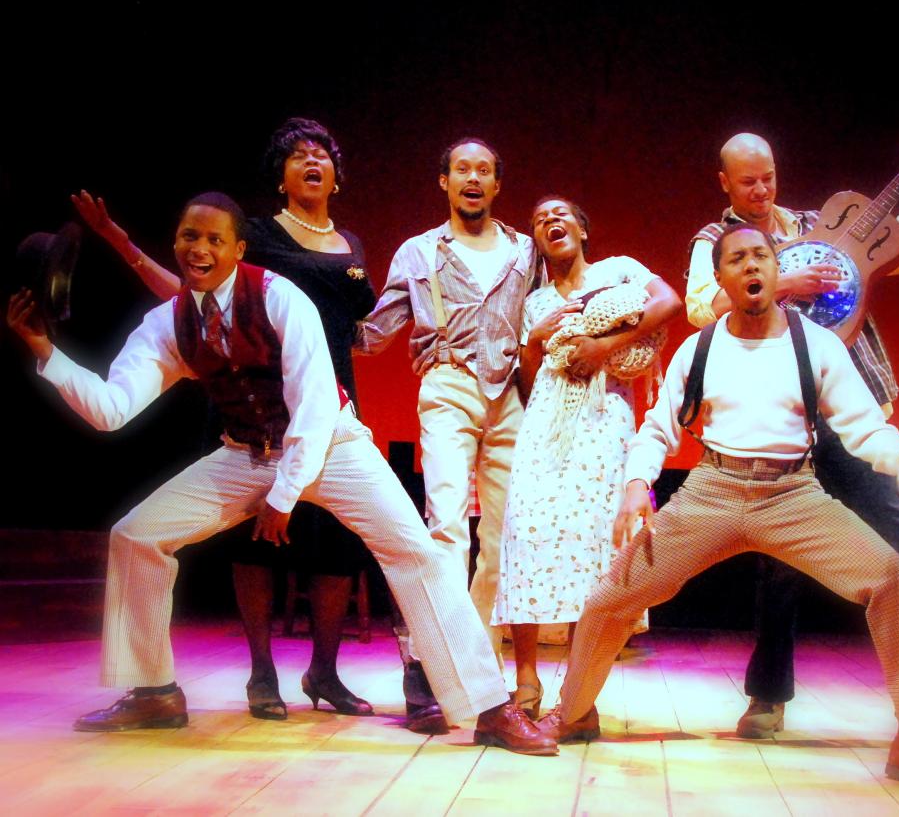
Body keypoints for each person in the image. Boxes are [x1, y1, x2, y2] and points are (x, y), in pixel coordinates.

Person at [6, 192, 556, 756]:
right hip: (247, 453)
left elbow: (315, 410)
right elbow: (111, 408)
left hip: (334, 446)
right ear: (175, 245)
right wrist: (47, 353)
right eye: (189, 238)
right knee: (136, 535)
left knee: (416, 553)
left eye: (214, 239)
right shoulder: (168, 324)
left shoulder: (279, 298)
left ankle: (490, 708)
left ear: (238, 249)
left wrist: (285, 495)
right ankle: (154, 693)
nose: (199, 249)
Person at [537, 223, 899, 794]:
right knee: (608, 598)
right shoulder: (700, 347)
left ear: (776, 271)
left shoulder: (816, 344)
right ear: (721, 278)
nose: (751, 267)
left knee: (892, 575)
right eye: (738, 260)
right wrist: (634, 486)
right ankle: (575, 712)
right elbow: (657, 429)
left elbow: (864, 429)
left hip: (792, 496)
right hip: (713, 491)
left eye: (761, 257)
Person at [685, 132, 899, 738]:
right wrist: (782, 285)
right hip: (778, 417)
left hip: (851, 406)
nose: (761, 188)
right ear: (724, 182)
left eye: (768, 175)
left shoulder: (816, 225)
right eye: (747, 180)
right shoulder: (718, 243)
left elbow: (897, 249)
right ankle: (767, 699)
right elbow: (702, 306)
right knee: (779, 565)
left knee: (898, 544)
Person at [72, 118, 376, 721]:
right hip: (252, 403)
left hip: (326, 396)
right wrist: (121, 243)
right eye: (297, 155)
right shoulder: (254, 236)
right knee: (254, 541)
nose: (312, 161)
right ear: (281, 175)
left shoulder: (352, 246)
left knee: (335, 547)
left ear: (337, 177)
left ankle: (325, 671)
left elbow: (360, 331)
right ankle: (262, 675)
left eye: (322, 154)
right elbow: (187, 293)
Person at [356, 138, 535, 732]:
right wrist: (312, 315)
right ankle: (429, 665)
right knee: (447, 528)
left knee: (504, 540)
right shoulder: (418, 252)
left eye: (485, 170)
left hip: (509, 391)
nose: (473, 178)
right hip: (448, 380)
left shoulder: (524, 251)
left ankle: (475, 667)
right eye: (463, 169)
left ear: (497, 184)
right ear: (445, 181)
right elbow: (374, 330)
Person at [492, 196, 681, 716]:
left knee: (593, 548)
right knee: (524, 535)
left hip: (603, 418)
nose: (551, 220)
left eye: (562, 214)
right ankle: (525, 680)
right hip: (545, 425)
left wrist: (606, 345)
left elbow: (670, 302)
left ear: (583, 227)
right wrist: (533, 341)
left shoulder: (619, 271)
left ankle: (579, 693)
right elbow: (530, 386)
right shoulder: (535, 301)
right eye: (539, 218)